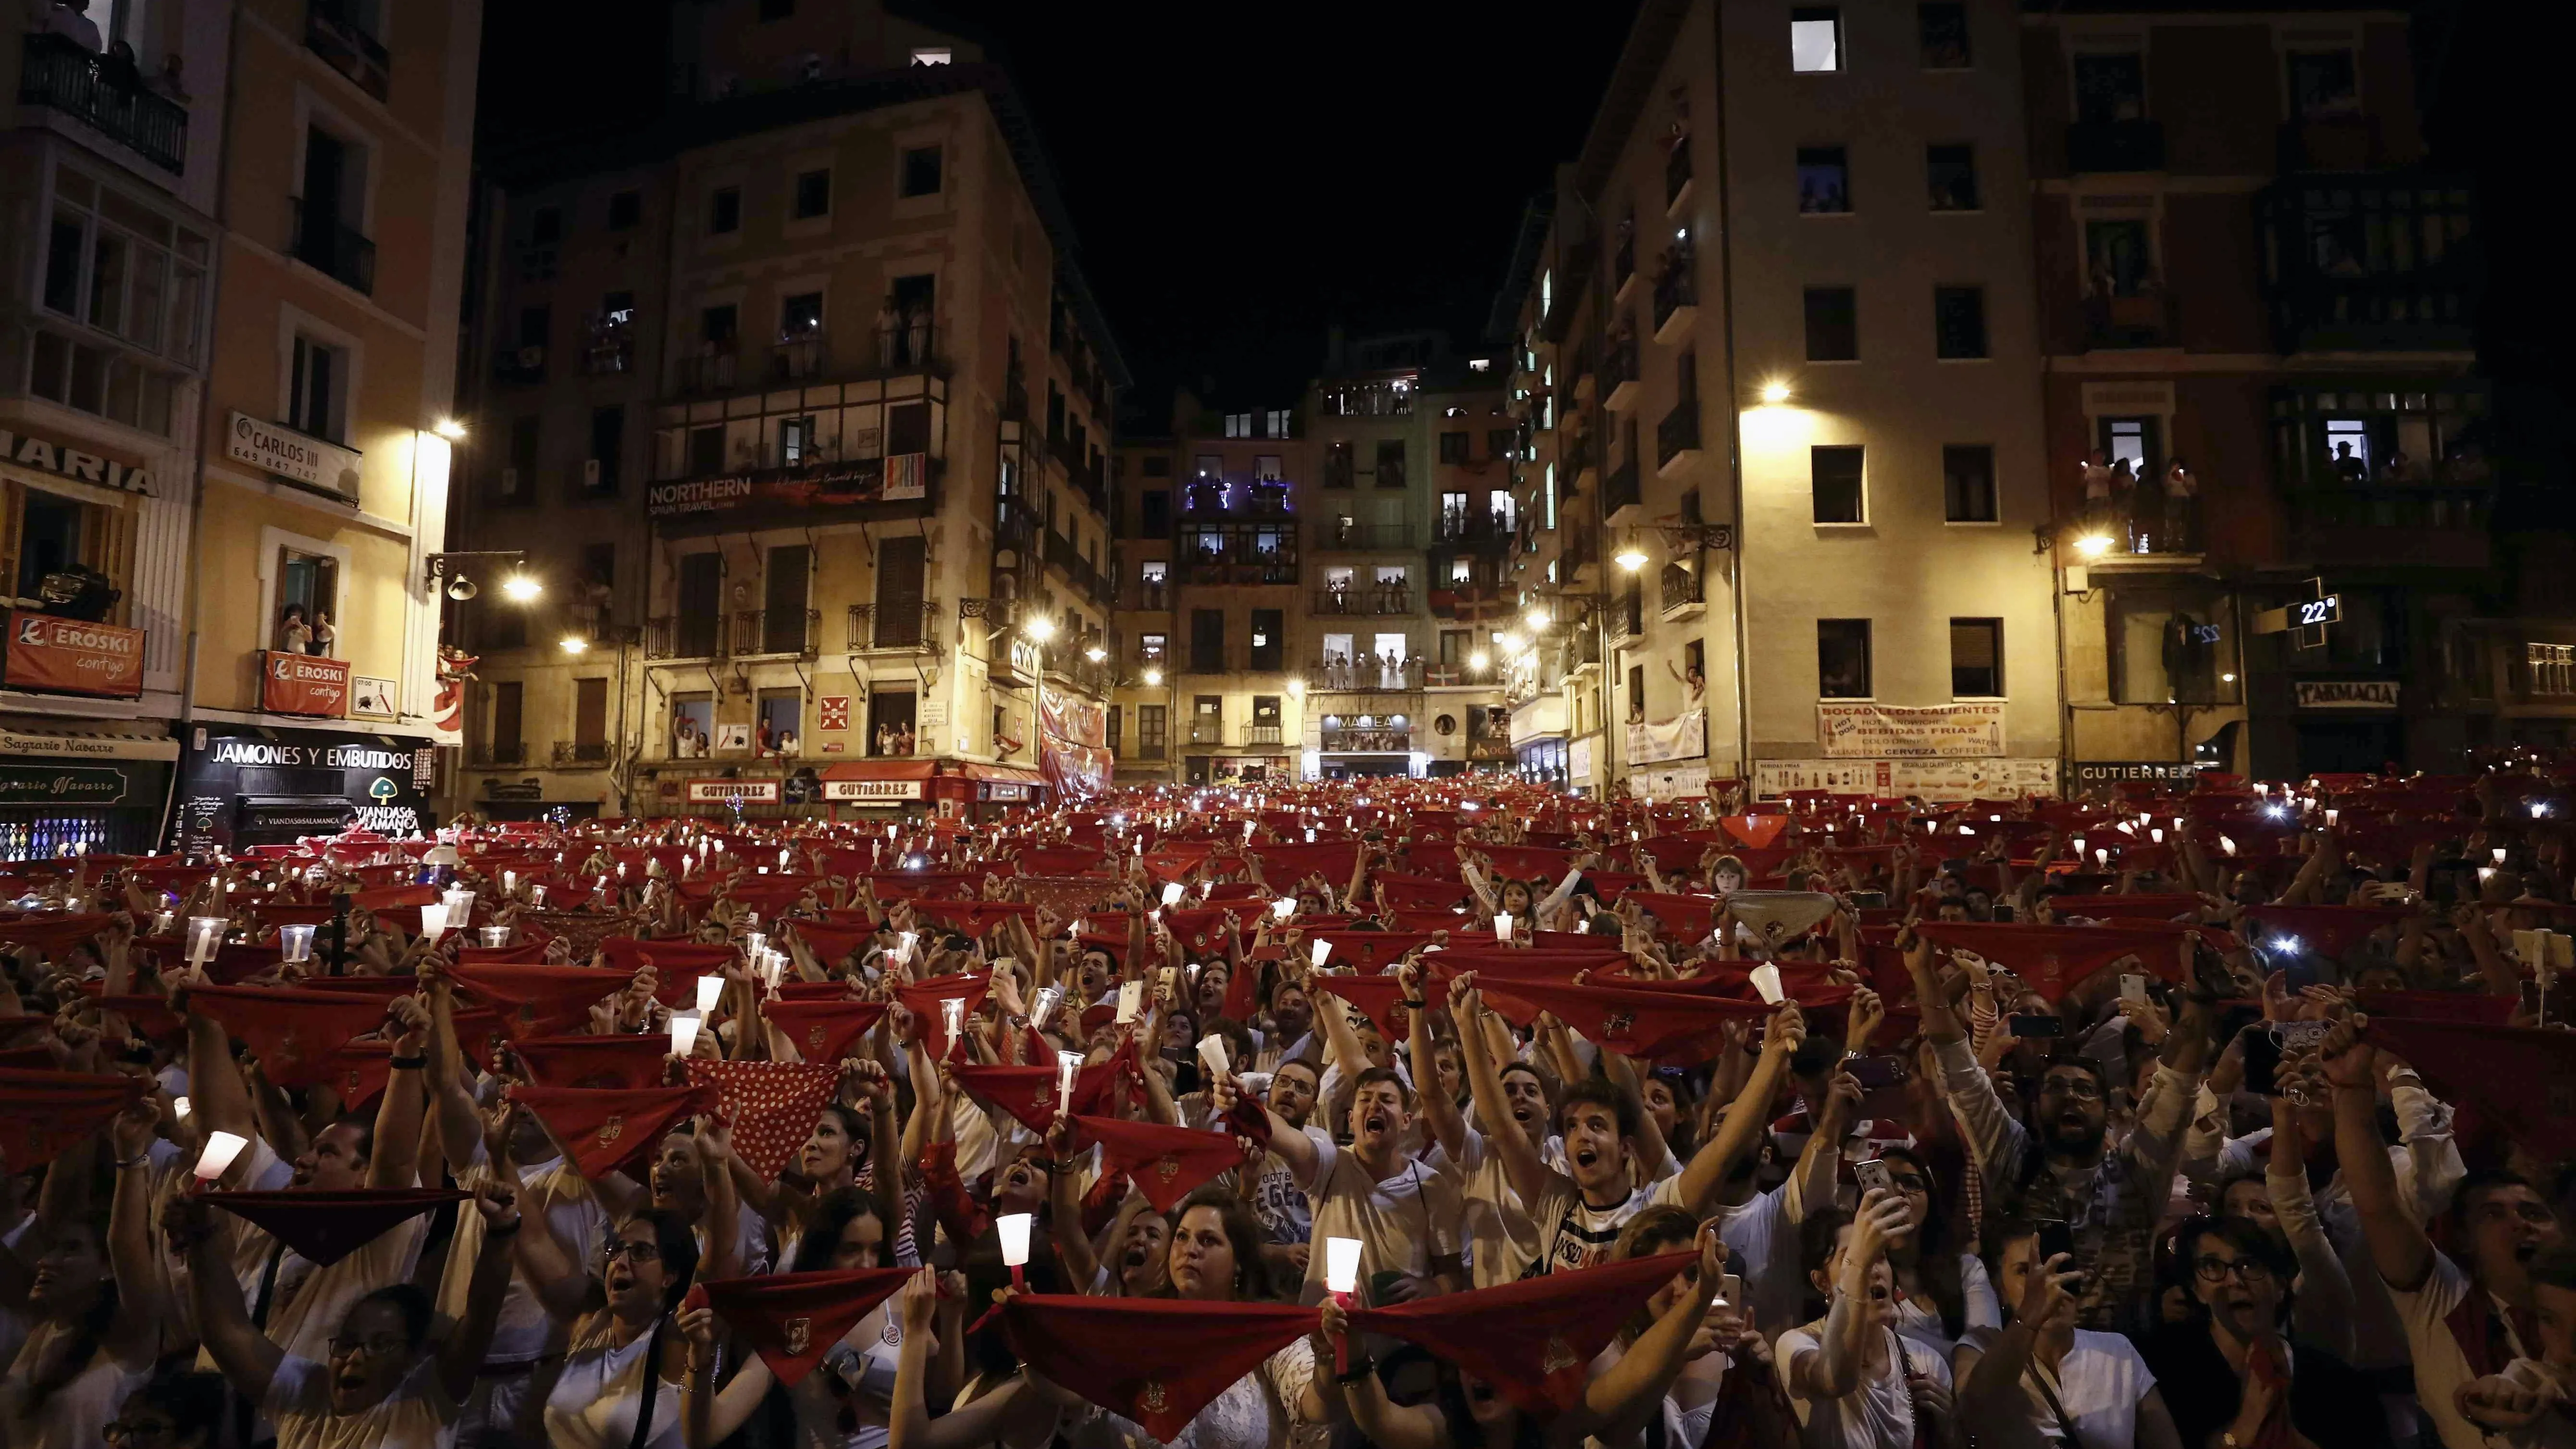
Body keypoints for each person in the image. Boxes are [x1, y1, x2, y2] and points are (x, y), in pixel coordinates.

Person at [2320, 1020, 2569, 1449]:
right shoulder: (2442, 1301)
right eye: (2494, 1214)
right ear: (2466, 1241)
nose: (2521, 1223)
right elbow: (2379, 1203)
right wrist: (2351, 1090)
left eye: (2534, 1212)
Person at [175, 1183, 520, 1449]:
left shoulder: (428, 1399)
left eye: (381, 1344)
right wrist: (199, 1237)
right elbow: (227, 1331)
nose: (355, 1357)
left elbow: (480, 1316)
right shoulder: (305, 1394)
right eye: (348, 1342)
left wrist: (501, 1232)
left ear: (412, 1357)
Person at [2137, 1215, 2390, 1449]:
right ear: (2197, 1290)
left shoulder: (2338, 1383)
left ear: (2280, 1286)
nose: (2234, 1280)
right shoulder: (2159, 1371)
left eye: (2249, 1264)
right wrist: (2243, 1429)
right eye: (2213, 1266)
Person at [1954, 1218, 2184, 1449]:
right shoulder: (1980, 1347)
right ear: (2000, 1289)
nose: (2048, 1282)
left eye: (2059, 1269)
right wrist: (2029, 1318)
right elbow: (1975, 1409)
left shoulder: (2117, 1351)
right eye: (2026, 1271)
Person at [1779, 1190, 1960, 1449]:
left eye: (1880, 1257)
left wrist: (1948, 1430)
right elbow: (1833, 1380)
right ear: (1821, 1282)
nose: (1874, 1271)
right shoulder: (1799, 1343)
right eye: (1853, 1259)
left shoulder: (1924, 1361)